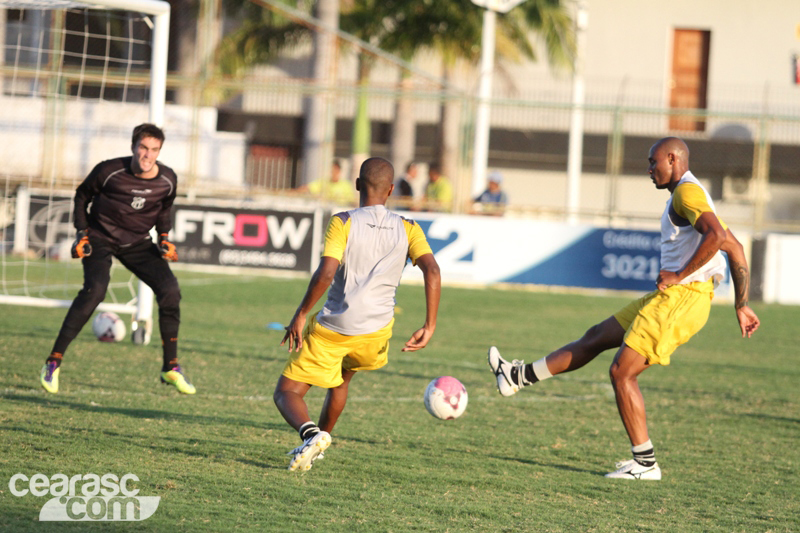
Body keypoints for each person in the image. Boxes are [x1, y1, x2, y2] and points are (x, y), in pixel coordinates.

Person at [488, 137, 760, 480]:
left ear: (673, 159)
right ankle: (517, 377)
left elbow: (717, 236)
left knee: (621, 373)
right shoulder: (692, 195)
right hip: (675, 296)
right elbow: (733, 247)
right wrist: (742, 304)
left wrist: (678, 274)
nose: (649, 170)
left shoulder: (685, 193)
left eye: (653, 162)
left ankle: (645, 464)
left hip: (683, 298)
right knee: (598, 336)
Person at [275, 156, 441, 472]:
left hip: (335, 326)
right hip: (377, 331)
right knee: (341, 382)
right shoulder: (409, 227)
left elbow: (326, 272)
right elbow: (432, 270)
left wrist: (301, 313)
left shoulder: (343, 221)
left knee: (287, 391)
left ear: (356, 185)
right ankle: (319, 446)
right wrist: (429, 325)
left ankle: (311, 435)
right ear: (391, 190)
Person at [39, 123, 195, 395]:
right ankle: (53, 361)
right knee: (95, 291)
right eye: (143, 148)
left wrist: (165, 237)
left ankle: (171, 367)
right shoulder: (109, 171)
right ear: (133, 147)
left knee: (170, 291)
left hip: (137, 242)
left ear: (160, 151)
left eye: (154, 150)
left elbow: (163, 209)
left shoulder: (167, 179)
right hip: (100, 238)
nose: (148, 155)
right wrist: (82, 233)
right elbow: (81, 196)